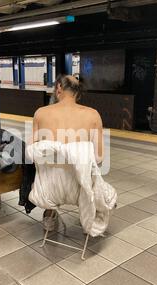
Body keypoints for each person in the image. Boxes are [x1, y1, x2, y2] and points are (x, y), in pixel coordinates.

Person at [31, 74, 104, 231]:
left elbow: (32, 154)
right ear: (77, 92)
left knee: (45, 167)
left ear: (58, 88)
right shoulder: (93, 115)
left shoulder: (40, 113)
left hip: (49, 191)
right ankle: (90, 217)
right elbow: (98, 158)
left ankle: (49, 216)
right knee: (96, 174)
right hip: (81, 190)